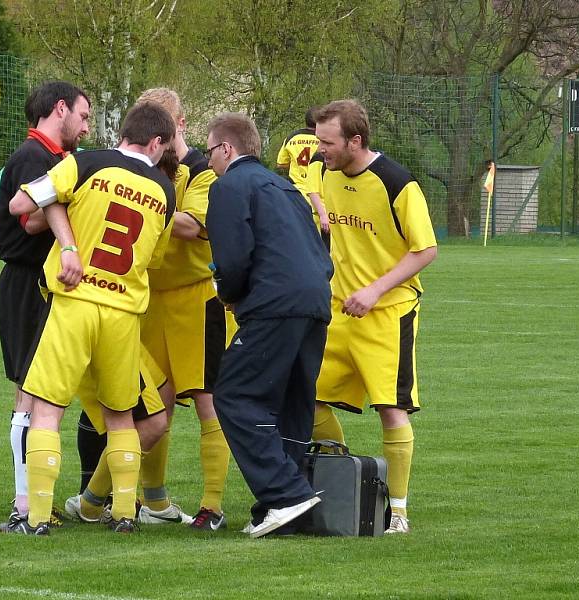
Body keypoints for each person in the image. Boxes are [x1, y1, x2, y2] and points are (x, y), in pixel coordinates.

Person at [5, 101, 176, 535]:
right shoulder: (164, 190)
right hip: (124, 314)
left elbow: (20, 204)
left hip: (75, 301)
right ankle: (123, 514)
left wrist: (66, 237)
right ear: (155, 143)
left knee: (47, 410)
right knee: (121, 416)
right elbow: (152, 258)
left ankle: (37, 518)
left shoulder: (87, 162)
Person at [0, 81, 91, 529]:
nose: (86, 127)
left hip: (41, 283)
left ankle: (42, 497)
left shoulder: (49, 159)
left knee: (44, 394)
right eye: (84, 116)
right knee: (30, 394)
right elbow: (23, 223)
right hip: (27, 282)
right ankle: (24, 501)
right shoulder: (33, 158)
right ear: (60, 109)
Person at [312, 99, 438, 534]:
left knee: (391, 409)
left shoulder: (398, 183)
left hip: (388, 311)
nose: (320, 148)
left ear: (355, 141)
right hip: (337, 310)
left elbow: (426, 250)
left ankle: (398, 511)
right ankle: (347, 473)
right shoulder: (327, 175)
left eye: (327, 141)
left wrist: (374, 289)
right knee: (306, 400)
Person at [205, 112, 333, 538]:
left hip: (273, 303)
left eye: (209, 153)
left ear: (226, 149)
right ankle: (291, 507)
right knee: (292, 402)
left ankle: (286, 494)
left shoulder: (228, 186)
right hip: (315, 301)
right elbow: (319, 241)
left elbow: (233, 256)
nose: (208, 164)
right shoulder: (287, 186)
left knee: (234, 395)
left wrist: (230, 294)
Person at [134, 87, 232, 530]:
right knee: (154, 401)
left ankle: (211, 507)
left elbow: (192, 226)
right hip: (150, 298)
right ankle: (152, 500)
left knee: (210, 399)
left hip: (197, 298)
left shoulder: (203, 170)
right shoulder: (144, 168)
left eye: (164, 123)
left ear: (181, 125)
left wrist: (142, 204)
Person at [276, 107, 329, 237]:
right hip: (319, 195)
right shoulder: (325, 141)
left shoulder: (292, 137)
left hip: (296, 194)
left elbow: (280, 164)